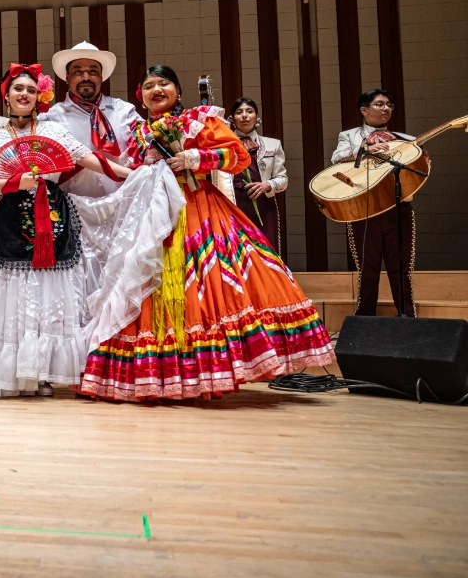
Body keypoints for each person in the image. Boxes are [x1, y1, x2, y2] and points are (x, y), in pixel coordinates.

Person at [79, 66, 335, 402]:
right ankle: (162, 375)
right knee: (143, 285)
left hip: (198, 210)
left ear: (178, 92)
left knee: (210, 286)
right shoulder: (139, 133)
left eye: (164, 84)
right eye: (148, 86)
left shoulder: (199, 118)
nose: (156, 90)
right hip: (152, 216)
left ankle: (204, 372)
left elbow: (238, 157)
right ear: (140, 97)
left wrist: (194, 157)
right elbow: (134, 170)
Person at [0, 64, 131, 399]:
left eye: (30, 89)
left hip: (53, 216)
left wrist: (133, 175)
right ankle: (12, 371)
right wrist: (18, 181)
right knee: (10, 296)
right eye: (17, 89)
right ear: (7, 97)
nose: (24, 94)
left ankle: (43, 372)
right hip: (11, 216)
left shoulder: (54, 131)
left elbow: (93, 160)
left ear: (38, 96)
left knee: (50, 296)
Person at [331, 89, 416, 316]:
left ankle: (408, 317)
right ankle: (364, 319)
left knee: (400, 267)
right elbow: (336, 160)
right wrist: (365, 150)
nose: (386, 108)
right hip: (362, 208)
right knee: (367, 268)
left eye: (389, 104)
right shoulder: (349, 136)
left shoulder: (405, 139)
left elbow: (416, 173)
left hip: (397, 207)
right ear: (364, 110)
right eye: (380, 104)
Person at [44, 41, 141, 198]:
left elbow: (144, 150)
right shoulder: (51, 118)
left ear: (101, 77)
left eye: (93, 71)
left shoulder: (124, 111)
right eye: (78, 71)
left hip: (122, 208)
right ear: (67, 78)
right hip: (74, 210)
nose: (86, 77)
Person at [227, 97, 287, 256]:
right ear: (232, 119)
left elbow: (283, 179)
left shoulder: (273, 144)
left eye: (249, 111)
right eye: (239, 112)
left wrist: (267, 185)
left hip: (263, 205)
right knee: (236, 252)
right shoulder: (223, 146)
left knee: (265, 252)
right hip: (231, 205)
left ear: (257, 117)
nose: (244, 116)